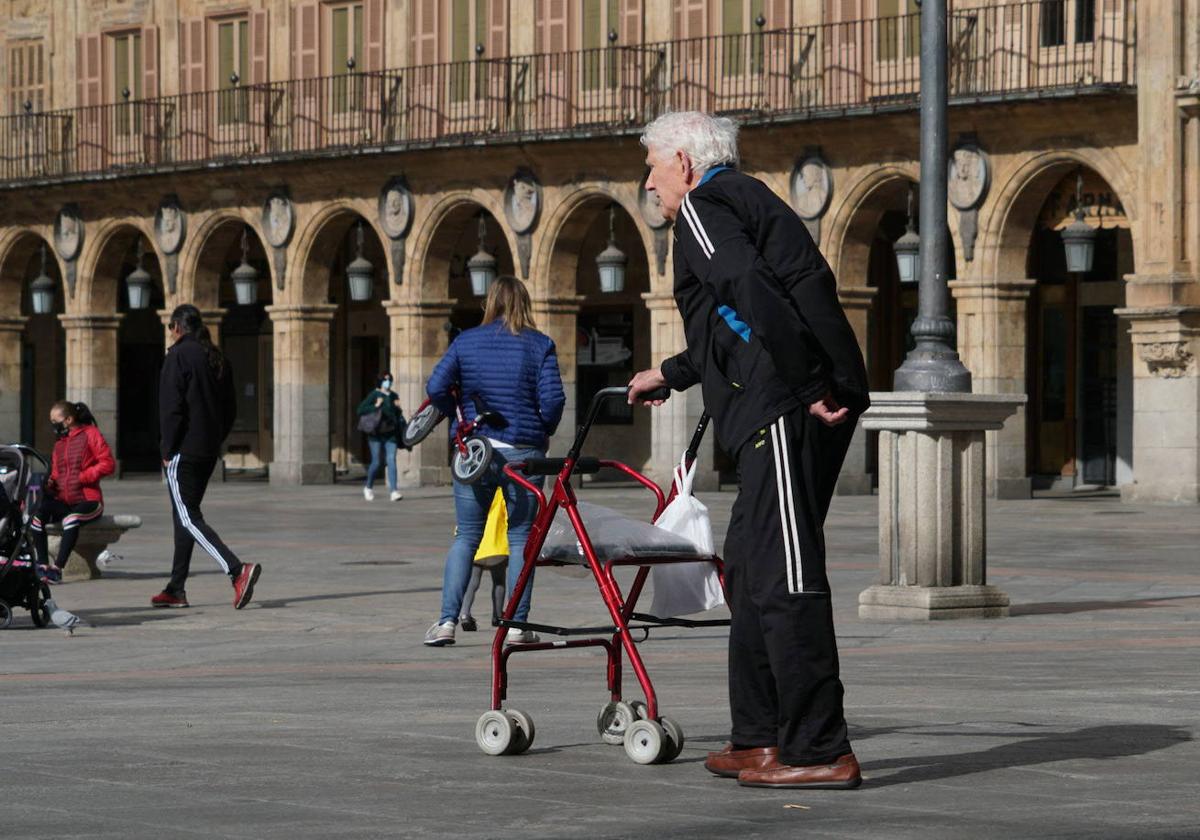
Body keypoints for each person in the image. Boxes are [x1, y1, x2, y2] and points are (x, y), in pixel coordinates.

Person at [628, 112, 870, 789]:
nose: (648, 181)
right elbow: (733, 324)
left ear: (682, 159)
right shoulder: (735, 202)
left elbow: (750, 292)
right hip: (782, 399)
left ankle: (820, 748)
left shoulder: (706, 204)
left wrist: (809, 381)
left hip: (790, 405)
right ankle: (759, 738)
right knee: (751, 572)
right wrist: (672, 374)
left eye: (652, 165)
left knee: (788, 575)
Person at [422, 276, 565, 647]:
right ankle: (517, 626)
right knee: (520, 540)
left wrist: (456, 415)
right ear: (524, 303)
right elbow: (553, 402)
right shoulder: (540, 344)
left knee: (466, 537)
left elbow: (436, 387)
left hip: (474, 452)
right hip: (523, 454)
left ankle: (446, 623)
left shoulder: (465, 341)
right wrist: (542, 429)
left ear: (490, 302)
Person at [153, 304, 261, 610]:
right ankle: (176, 588)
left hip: (183, 451)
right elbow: (231, 409)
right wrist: (215, 439)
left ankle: (237, 570)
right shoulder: (217, 357)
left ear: (176, 327)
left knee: (188, 517)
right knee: (183, 517)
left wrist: (167, 449)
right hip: (208, 450)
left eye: (170, 328)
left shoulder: (177, 357)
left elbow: (171, 409)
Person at [30, 401, 114, 582]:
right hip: (64, 501)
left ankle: (57, 569)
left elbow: (108, 464)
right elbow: (55, 474)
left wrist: (83, 477)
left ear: (68, 419)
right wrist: (50, 483)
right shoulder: (59, 444)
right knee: (36, 517)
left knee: (71, 519)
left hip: (89, 500)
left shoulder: (90, 434)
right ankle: (43, 566)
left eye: (56, 420)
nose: (53, 425)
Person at [357, 372, 404, 502]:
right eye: (385, 380)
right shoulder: (375, 394)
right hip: (376, 433)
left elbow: (397, 414)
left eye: (389, 380)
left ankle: (394, 491)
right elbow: (360, 409)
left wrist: (398, 408)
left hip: (391, 433)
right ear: (380, 381)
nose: (387, 382)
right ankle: (368, 487)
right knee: (376, 462)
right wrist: (375, 405)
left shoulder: (394, 395)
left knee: (391, 460)